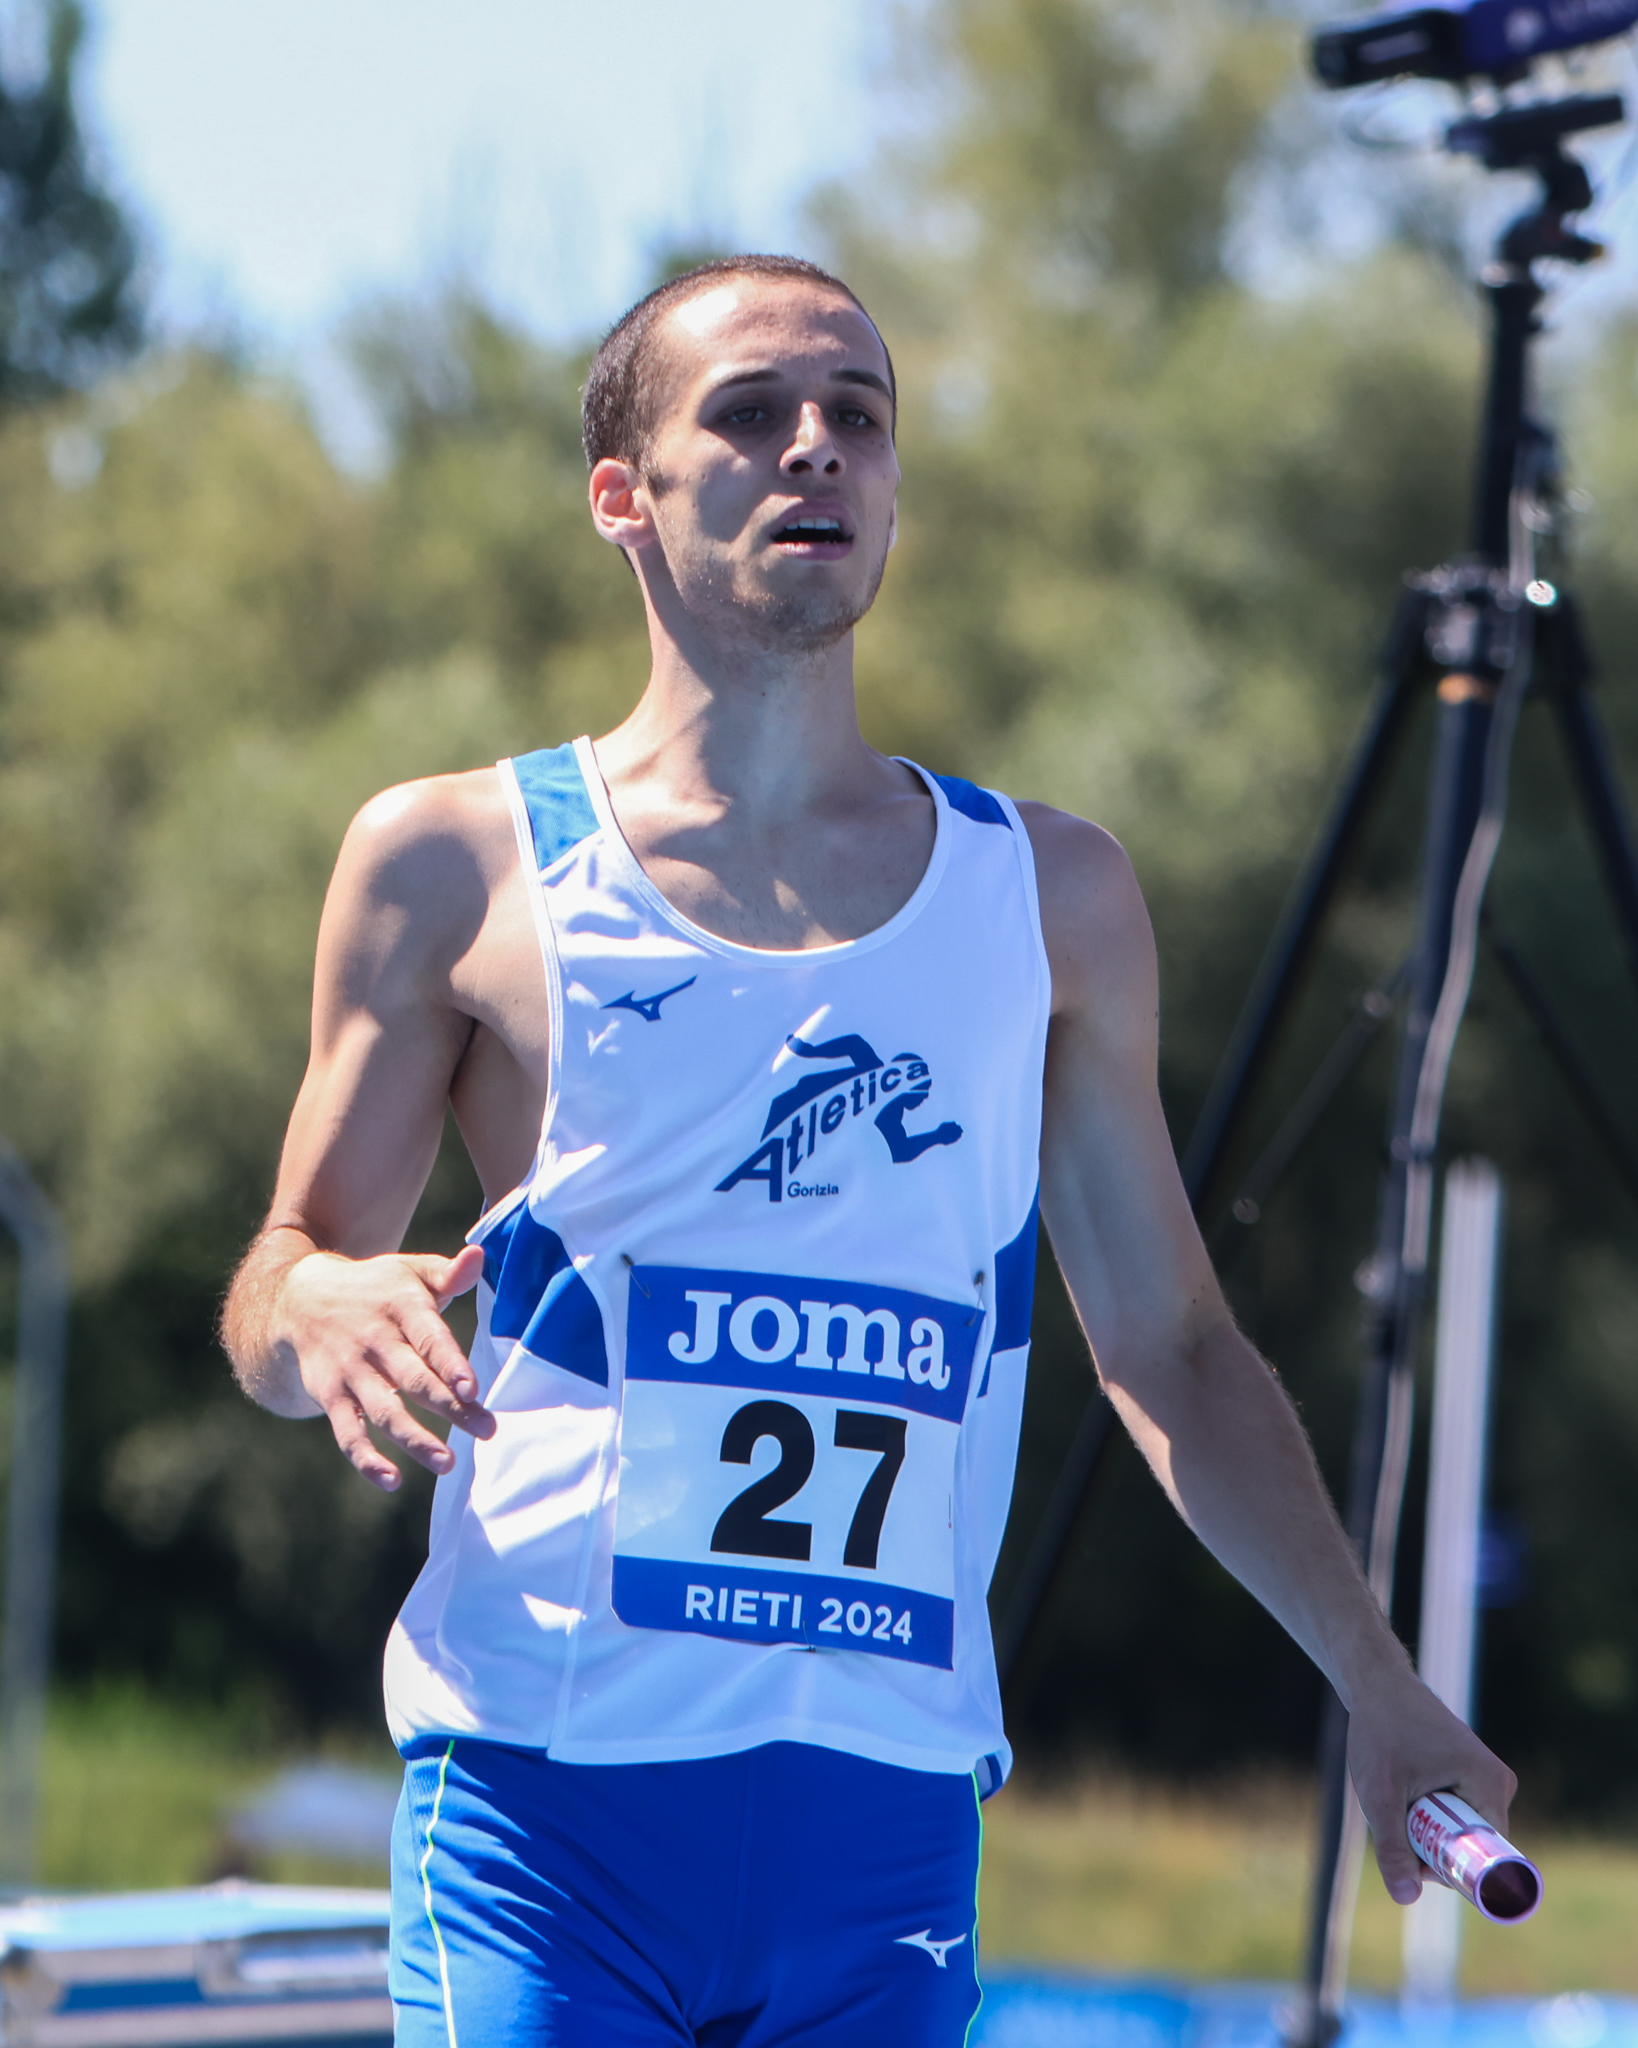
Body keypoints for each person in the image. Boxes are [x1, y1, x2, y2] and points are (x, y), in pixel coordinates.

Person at [221, 253, 1515, 2046]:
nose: (815, 447)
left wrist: (1376, 1681)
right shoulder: (458, 863)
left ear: (894, 486)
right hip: (548, 1819)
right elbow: (276, 1292)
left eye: (859, 416)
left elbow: (1174, 1351)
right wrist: (314, 1310)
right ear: (623, 496)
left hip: (883, 1837)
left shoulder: (1050, 895)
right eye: (750, 415)